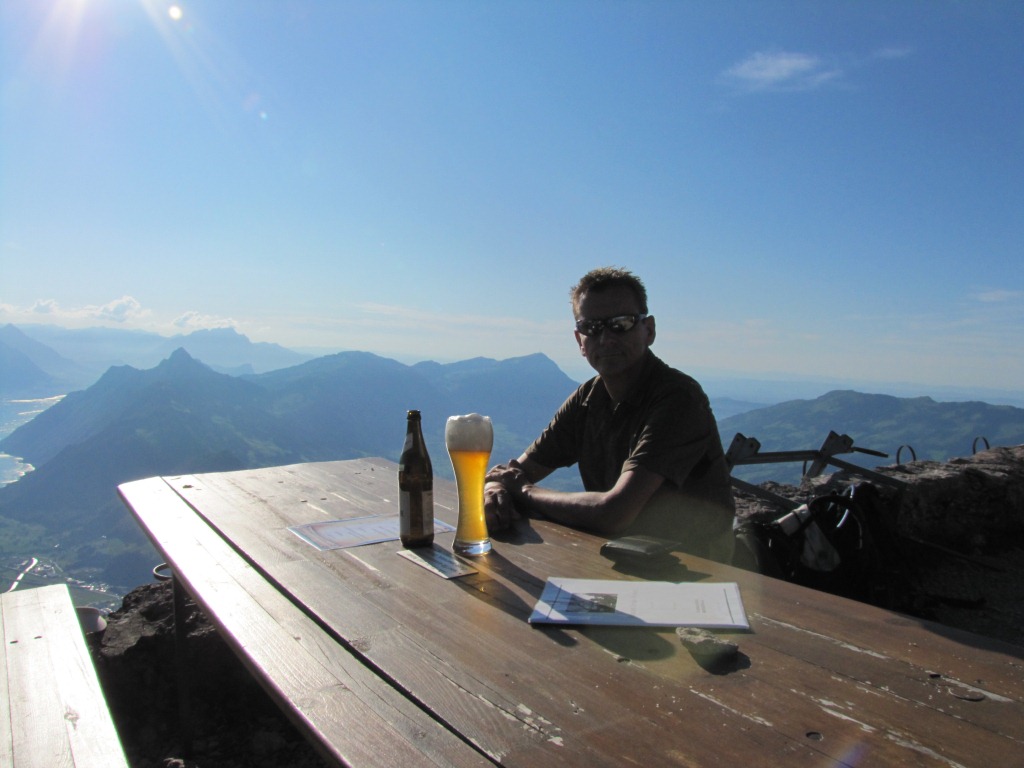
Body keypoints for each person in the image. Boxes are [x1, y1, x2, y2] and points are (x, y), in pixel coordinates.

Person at [484, 267, 736, 563]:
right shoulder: (588, 399)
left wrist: (524, 491)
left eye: (621, 323)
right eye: (592, 327)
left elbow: (614, 513)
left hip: (696, 567)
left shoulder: (679, 399)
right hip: (620, 555)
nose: (605, 339)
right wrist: (495, 486)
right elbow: (515, 471)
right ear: (580, 340)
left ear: (649, 330)